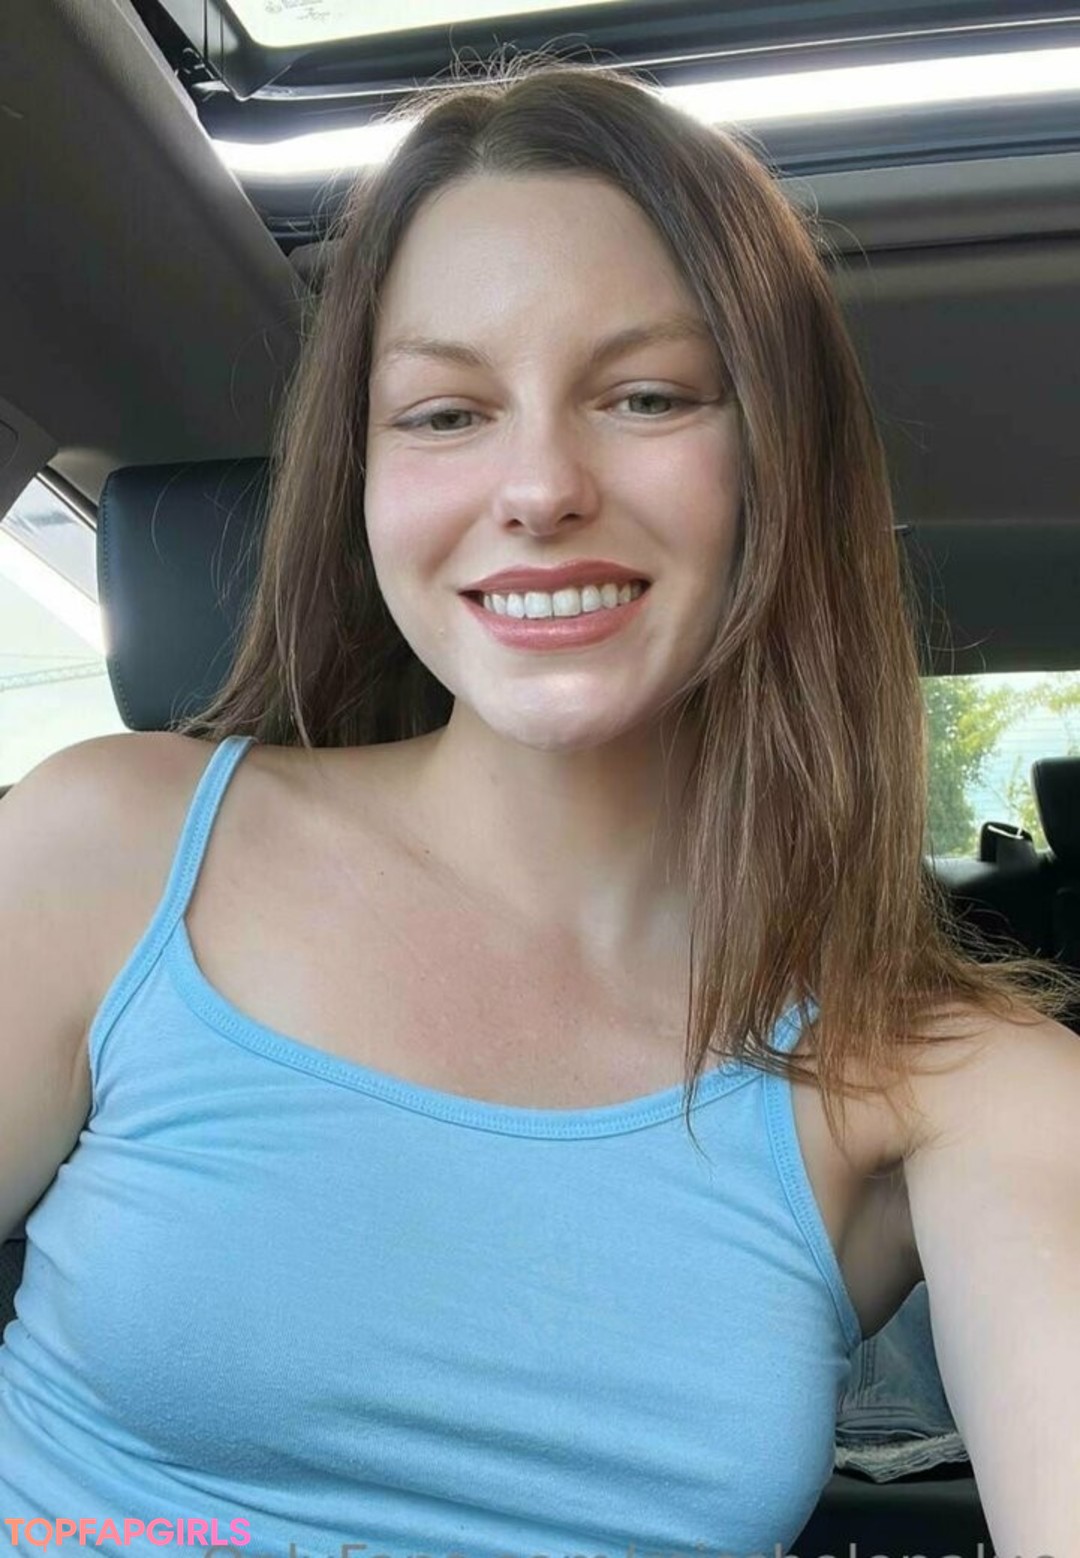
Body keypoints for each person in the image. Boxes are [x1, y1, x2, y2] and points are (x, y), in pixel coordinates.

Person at [1, 51, 1078, 1558]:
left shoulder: (959, 1080)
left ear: (778, 463)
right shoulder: (106, 846)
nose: (539, 486)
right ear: (363, 475)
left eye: (645, 396)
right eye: (446, 413)